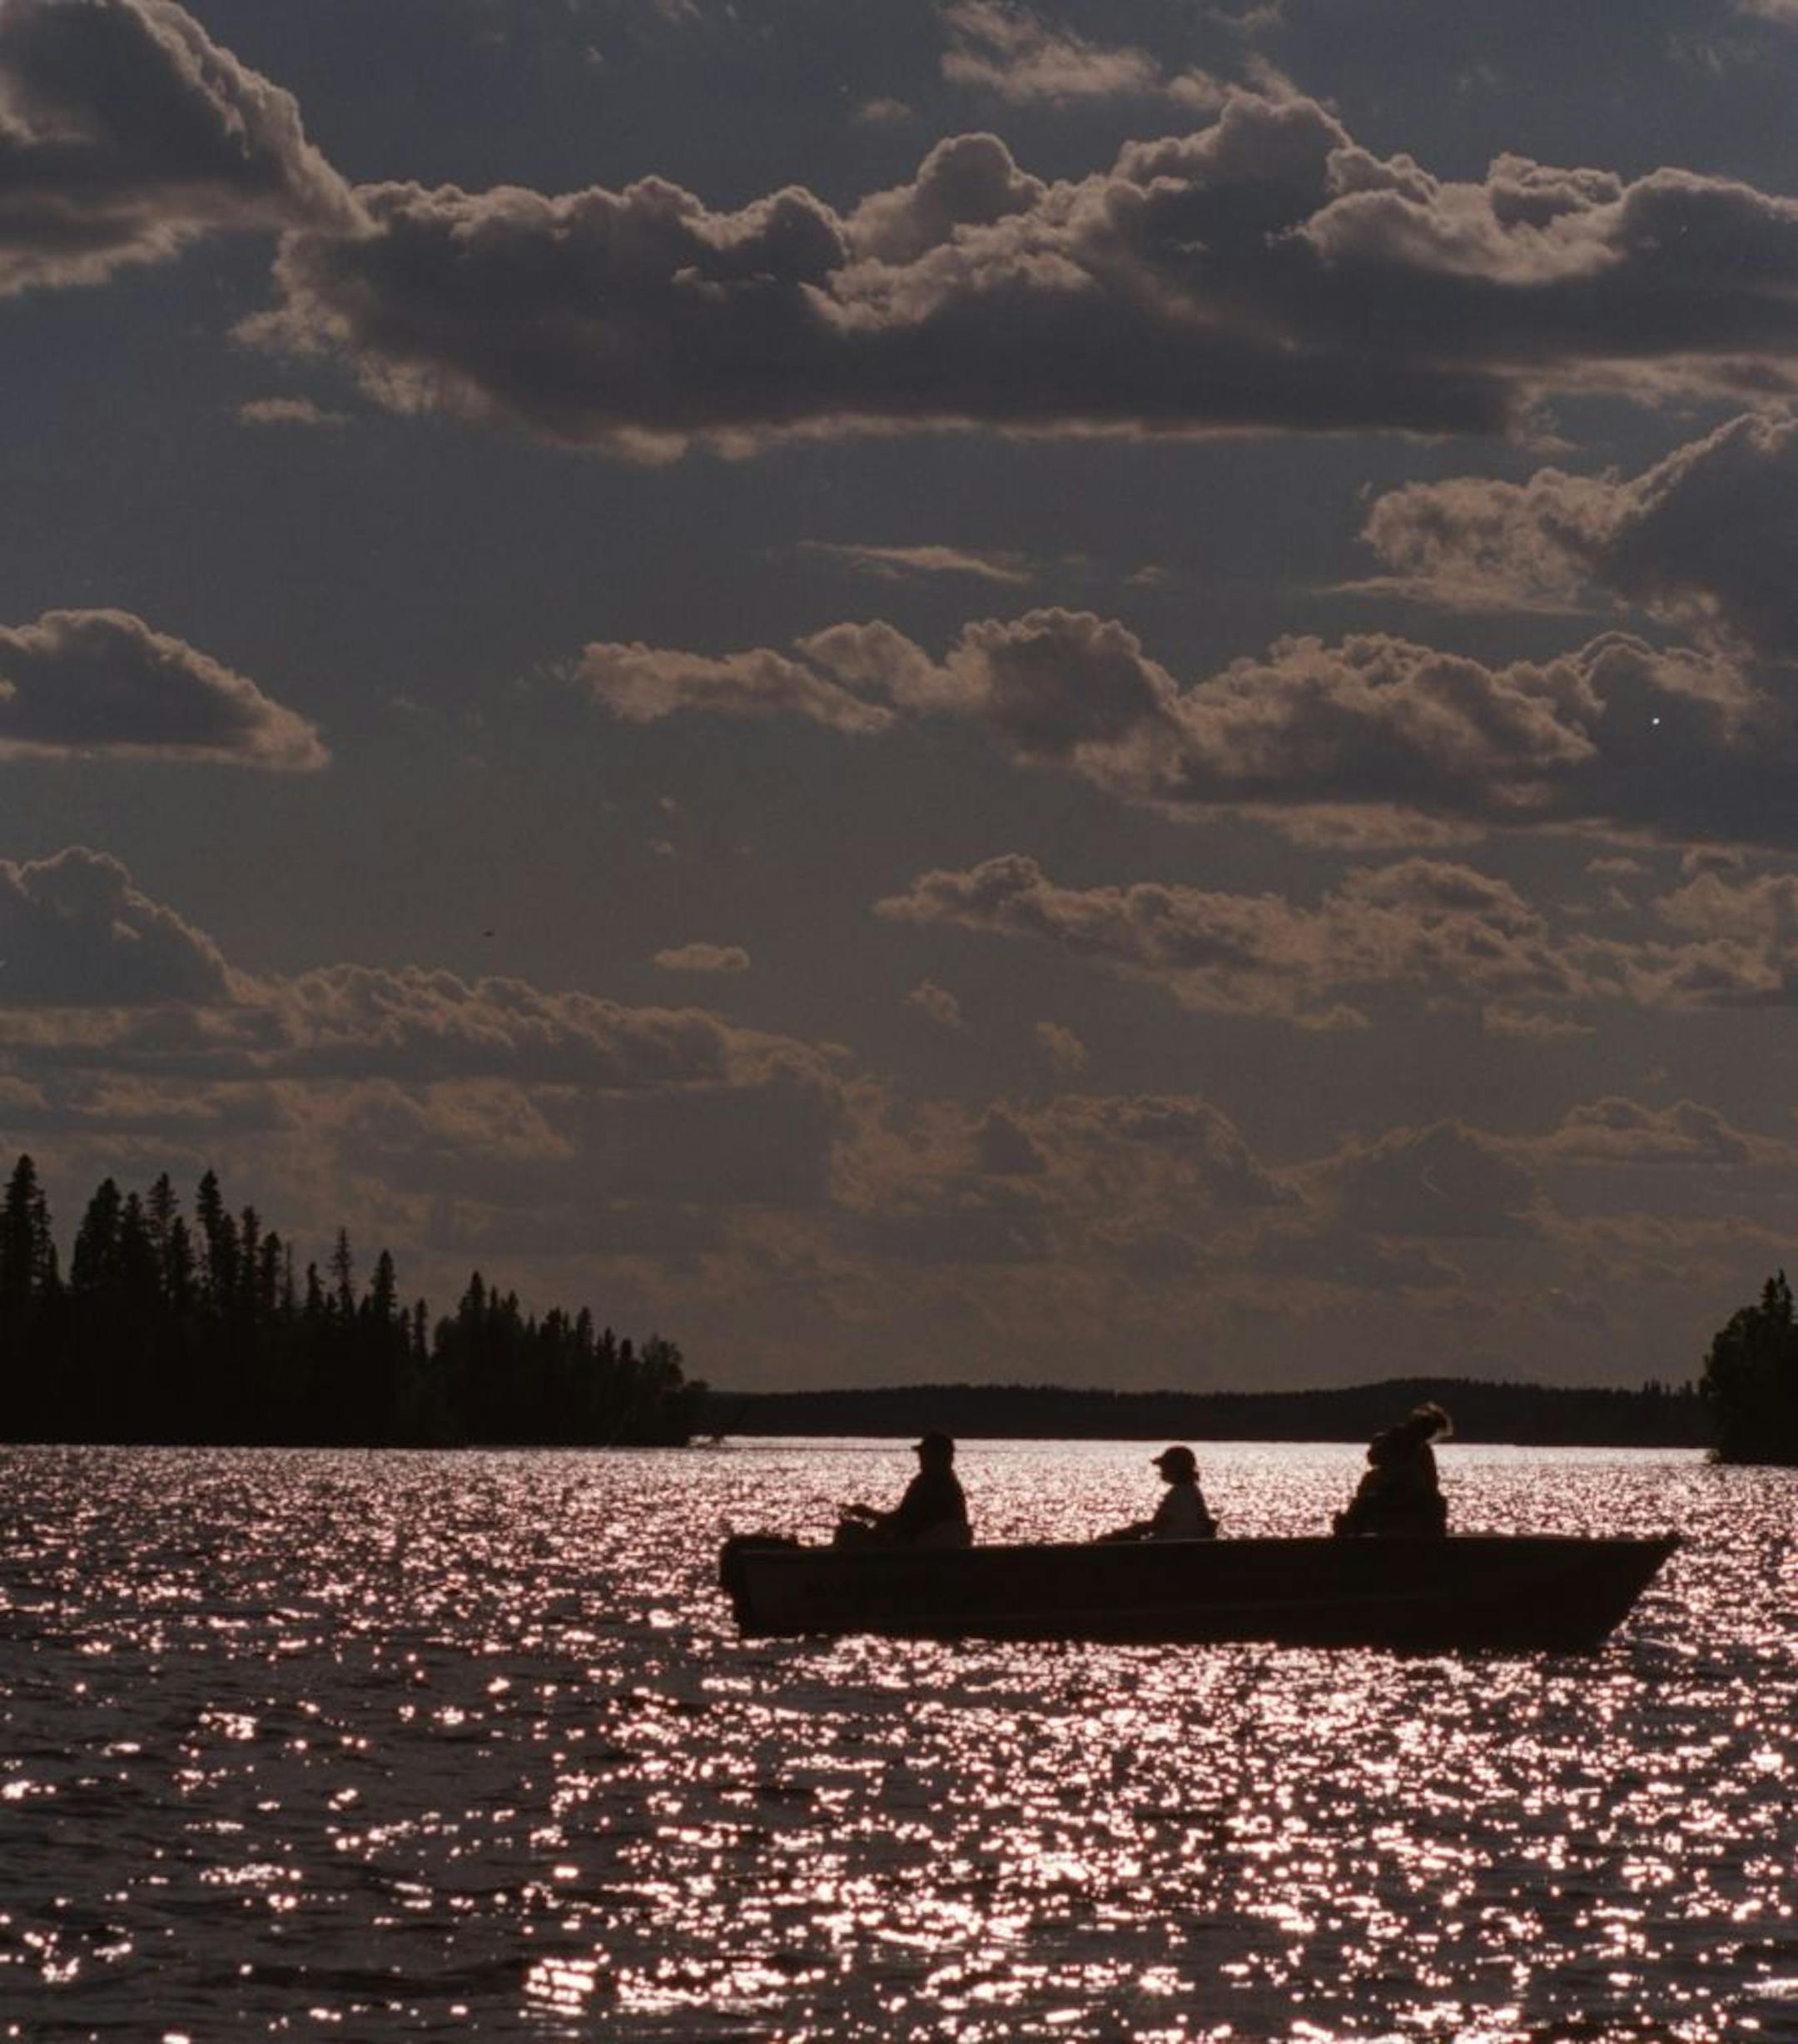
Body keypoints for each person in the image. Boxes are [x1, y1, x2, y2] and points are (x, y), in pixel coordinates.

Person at [836, 1430, 971, 1549]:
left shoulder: (927, 1484)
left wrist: (869, 1514)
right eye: (922, 1454)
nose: (921, 1458)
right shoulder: (950, 1484)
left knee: (850, 1534)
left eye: (925, 1454)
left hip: (918, 1551)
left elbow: (903, 1520)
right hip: (931, 1548)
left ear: (939, 1456)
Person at [1333, 1402, 1452, 1537]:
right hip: (1394, 1496)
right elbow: (1375, 1458)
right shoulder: (1399, 1438)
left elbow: (1430, 1482)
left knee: (1366, 1502)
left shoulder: (1423, 1451)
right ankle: (1350, 1528)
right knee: (1365, 1502)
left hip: (1409, 1498)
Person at [1101, 1445, 1218, 1543]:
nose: (1162, 1470)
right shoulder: (1188, 1491)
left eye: (1165, 1466)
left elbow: (1158, 1524)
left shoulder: (1182, 1494)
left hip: (1168, 1549)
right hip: (1173, 1546)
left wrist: (1128, 1532)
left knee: (1109, 1541)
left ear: (1176, 1468)